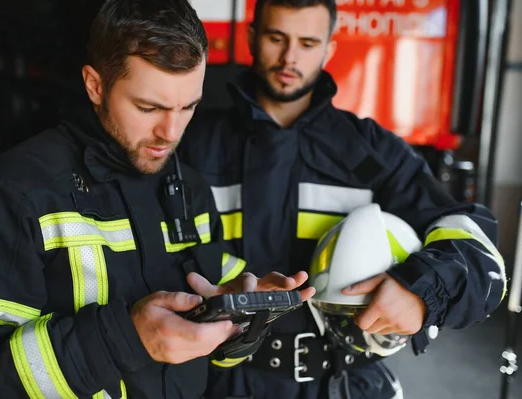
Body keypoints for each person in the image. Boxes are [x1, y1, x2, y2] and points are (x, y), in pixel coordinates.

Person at [0, 1, 315, 398]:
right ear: (95, 85)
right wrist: (126, 340)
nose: (171, 132)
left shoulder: (189, 188)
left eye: (188, 107)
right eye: (149, 107)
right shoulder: (18, 192)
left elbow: (208, 362)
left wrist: (237, 317)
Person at [178, 0, 507, 398]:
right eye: (276, 37)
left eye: (307, 42)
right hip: (216, 382)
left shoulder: (369, 153)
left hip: (341, 384)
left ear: (329, 49)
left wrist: (423, 290)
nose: (289, 57)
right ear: (251, 37)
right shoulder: (191, 147)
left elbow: (474, 240)